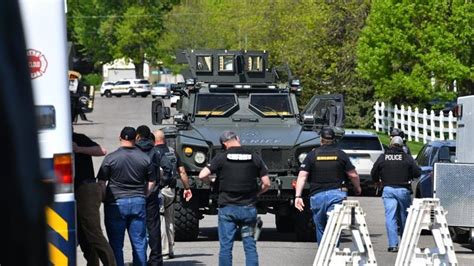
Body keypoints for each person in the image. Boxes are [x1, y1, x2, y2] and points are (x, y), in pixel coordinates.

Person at [199, 131, 271, 266]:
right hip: (248, 209)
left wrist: (212, 184)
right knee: (250, 247)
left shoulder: (221, 157)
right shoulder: (254, 156)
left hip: (227, 209)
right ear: (237, 139)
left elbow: (202, 174)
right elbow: (267, 183)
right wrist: (258, 193)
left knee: (226, 247)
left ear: (224, 144)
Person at [97, 127, 156, 266]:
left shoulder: (110, 158)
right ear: (136, 138)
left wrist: (104, 198)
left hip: (115, 204)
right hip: (138, 202)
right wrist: (144, 195)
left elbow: (100, 182)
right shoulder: (144, 158)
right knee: (139, 243)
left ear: (120, 138)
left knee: (116, 245)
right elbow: (152, 181)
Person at [294, 127, 362, 244]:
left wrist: (298, 196)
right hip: (336, 195)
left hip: (317, 196)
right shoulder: (341, 155)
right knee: (334, 227)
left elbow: (302, 176)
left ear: (321, 139)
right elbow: (353, 175)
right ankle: (333, 254)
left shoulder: (312, 155)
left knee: (320, 227)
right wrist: (358, 188)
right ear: (333, 140)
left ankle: (323, 255)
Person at [73, 130, 116, 266]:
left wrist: (78, 149)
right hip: (70, 191)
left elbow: (101, 150)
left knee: (93, 232)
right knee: (82, 235)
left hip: (86, 189)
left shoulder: (78, 138)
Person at [371, 136, 421, 252]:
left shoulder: (383, 157)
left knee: (390, 216)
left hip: (388, 189)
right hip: (403, 190)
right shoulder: (407, 158)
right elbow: (417, 172)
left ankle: (393, 244)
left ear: (391, 144)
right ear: (402, 145)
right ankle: (405, 242)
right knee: (404, 217)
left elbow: (374, 171)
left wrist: (376, 181)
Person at [152, 129, 193, 260]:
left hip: (160, 190)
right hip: (171, 190)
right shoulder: (172, 152)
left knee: (161, 219)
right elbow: (182, 172)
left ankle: (163, 251)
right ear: (164, 139)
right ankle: (171, 248)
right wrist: (187, 187)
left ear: (154, 140)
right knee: (170, 219)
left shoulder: (154, 153)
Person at [135, 125, 163, 266]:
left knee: (137, 227)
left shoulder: (134, 150)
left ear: (138, 136)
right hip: (152, 192)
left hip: (136, 192)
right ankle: (156, 259)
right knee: (153, 227)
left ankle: (139, 259)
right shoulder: (155, 151)